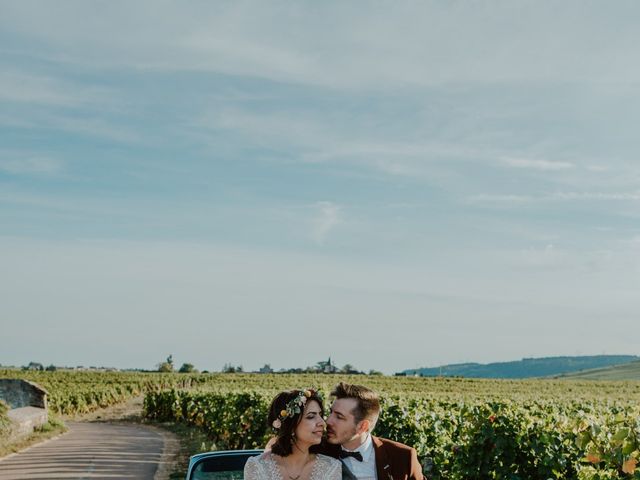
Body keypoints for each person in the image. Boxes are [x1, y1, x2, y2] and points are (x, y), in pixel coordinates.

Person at [323, 382, 424, 480]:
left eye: (339, 417)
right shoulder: (317, 452)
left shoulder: (402, 457)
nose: (328, 421)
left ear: (363, 426)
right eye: (331, 412)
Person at [245, 388, 341, 480]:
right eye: (311, 416)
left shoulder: (331, 467)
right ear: (290, 425)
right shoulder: (257, 466)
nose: (322, 423)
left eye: (320, 415)